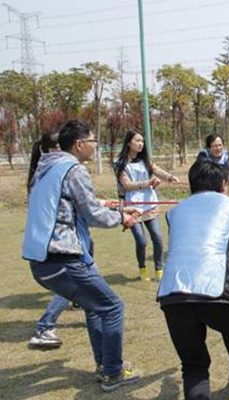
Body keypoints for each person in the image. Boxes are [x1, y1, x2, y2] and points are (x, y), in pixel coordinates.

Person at [22, 120, 143, 392]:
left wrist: (108, 207)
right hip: (62, 259)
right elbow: (92, 214)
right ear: (79, 145)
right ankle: (113, 372)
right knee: (113, 307)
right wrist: (122, 216)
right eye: (93, 142)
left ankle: (104, 366)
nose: (95, 147)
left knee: (95, 306)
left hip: (42, 261)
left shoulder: (47, 167)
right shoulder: (74, 169)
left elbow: (66, 206)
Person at [158, 160, 229, 400]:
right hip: (218, 290)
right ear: (223, 184)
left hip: (174, 294)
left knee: (194, 365)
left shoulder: (175, 212)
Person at [114, 130, 180, 281]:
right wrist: (148, 183)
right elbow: (127, 185)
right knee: (141, 241)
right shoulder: (120, 164)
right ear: (129, 143)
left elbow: (157, 170)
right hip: (132, 207)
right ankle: (142, 268)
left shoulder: (145, 160)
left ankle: (159, 270)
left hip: (149, 203)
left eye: (142, 141)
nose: (141, 144)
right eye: (137, 141)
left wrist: (169, 177)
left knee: (157, 238)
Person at [27, 132, 72, 350]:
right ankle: (44, 327)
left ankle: (84, 303)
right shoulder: (53, 173)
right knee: (73, 285)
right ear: (55, 149)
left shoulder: (43, 172)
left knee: (86, 285)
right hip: (59, 245)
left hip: (62, 242)